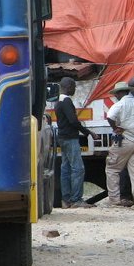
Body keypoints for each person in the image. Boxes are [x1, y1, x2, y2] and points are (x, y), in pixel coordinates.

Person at [105, 77, 134, 208]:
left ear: (120, 93)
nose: (115, 97)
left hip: (125, 141)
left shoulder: (121, 104)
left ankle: (114, 200)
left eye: (116, 94)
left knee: (112, 169)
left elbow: (110, 116)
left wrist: (115, 128)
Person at [54, 76, 96, 208]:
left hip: (62, 137)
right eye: (74, 87)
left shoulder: (58, 102)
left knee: (65, 169)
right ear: (68, 87)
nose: (75, 89)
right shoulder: (66, 101)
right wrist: (87, 131)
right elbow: (73, 121)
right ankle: (76, 199)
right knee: (78, 168)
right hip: (71, 138)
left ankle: (66, 200)